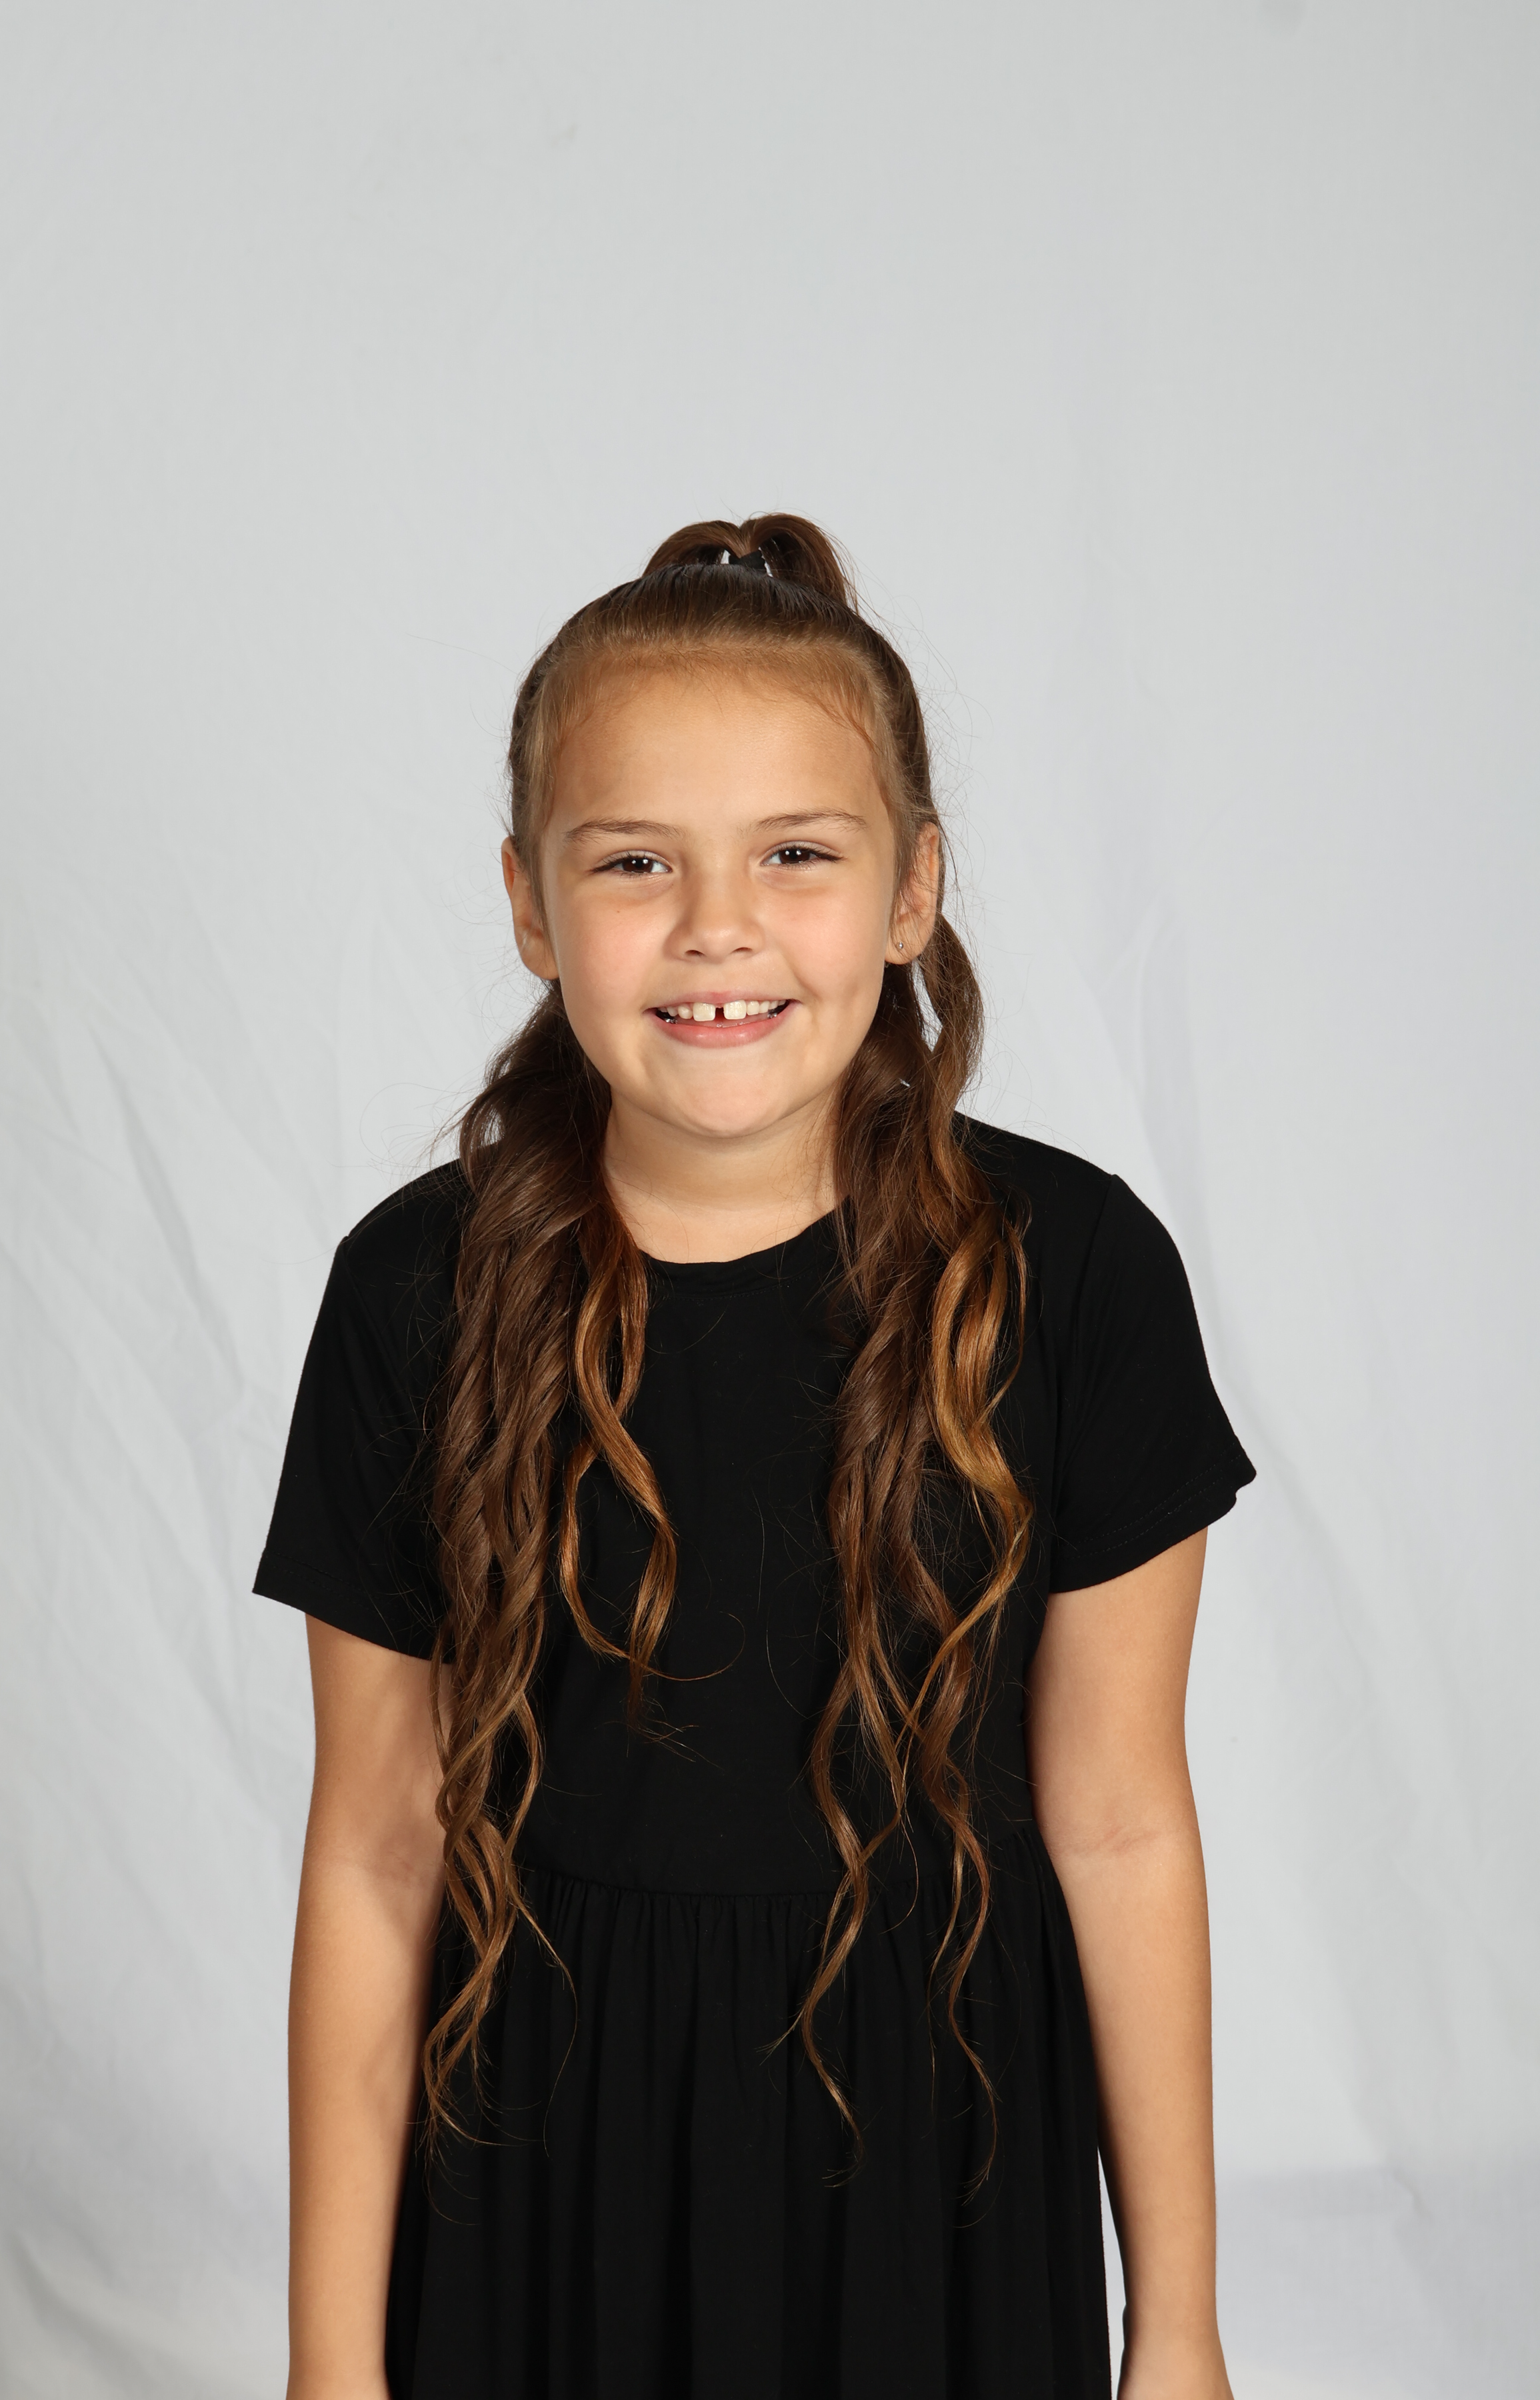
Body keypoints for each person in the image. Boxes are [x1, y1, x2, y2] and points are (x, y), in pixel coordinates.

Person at [255, 514, 1255, 2400]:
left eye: (797, 853)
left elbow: (1123, 1823)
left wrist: (1180, 2330)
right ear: (530, 904)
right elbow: (377, 1852)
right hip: (539, 2182)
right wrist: (330, 2363)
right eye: (635, 861)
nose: (717, 925)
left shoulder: (1075, 1277)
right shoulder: (416, 1290)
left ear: (911, 888)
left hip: (946, 2186)